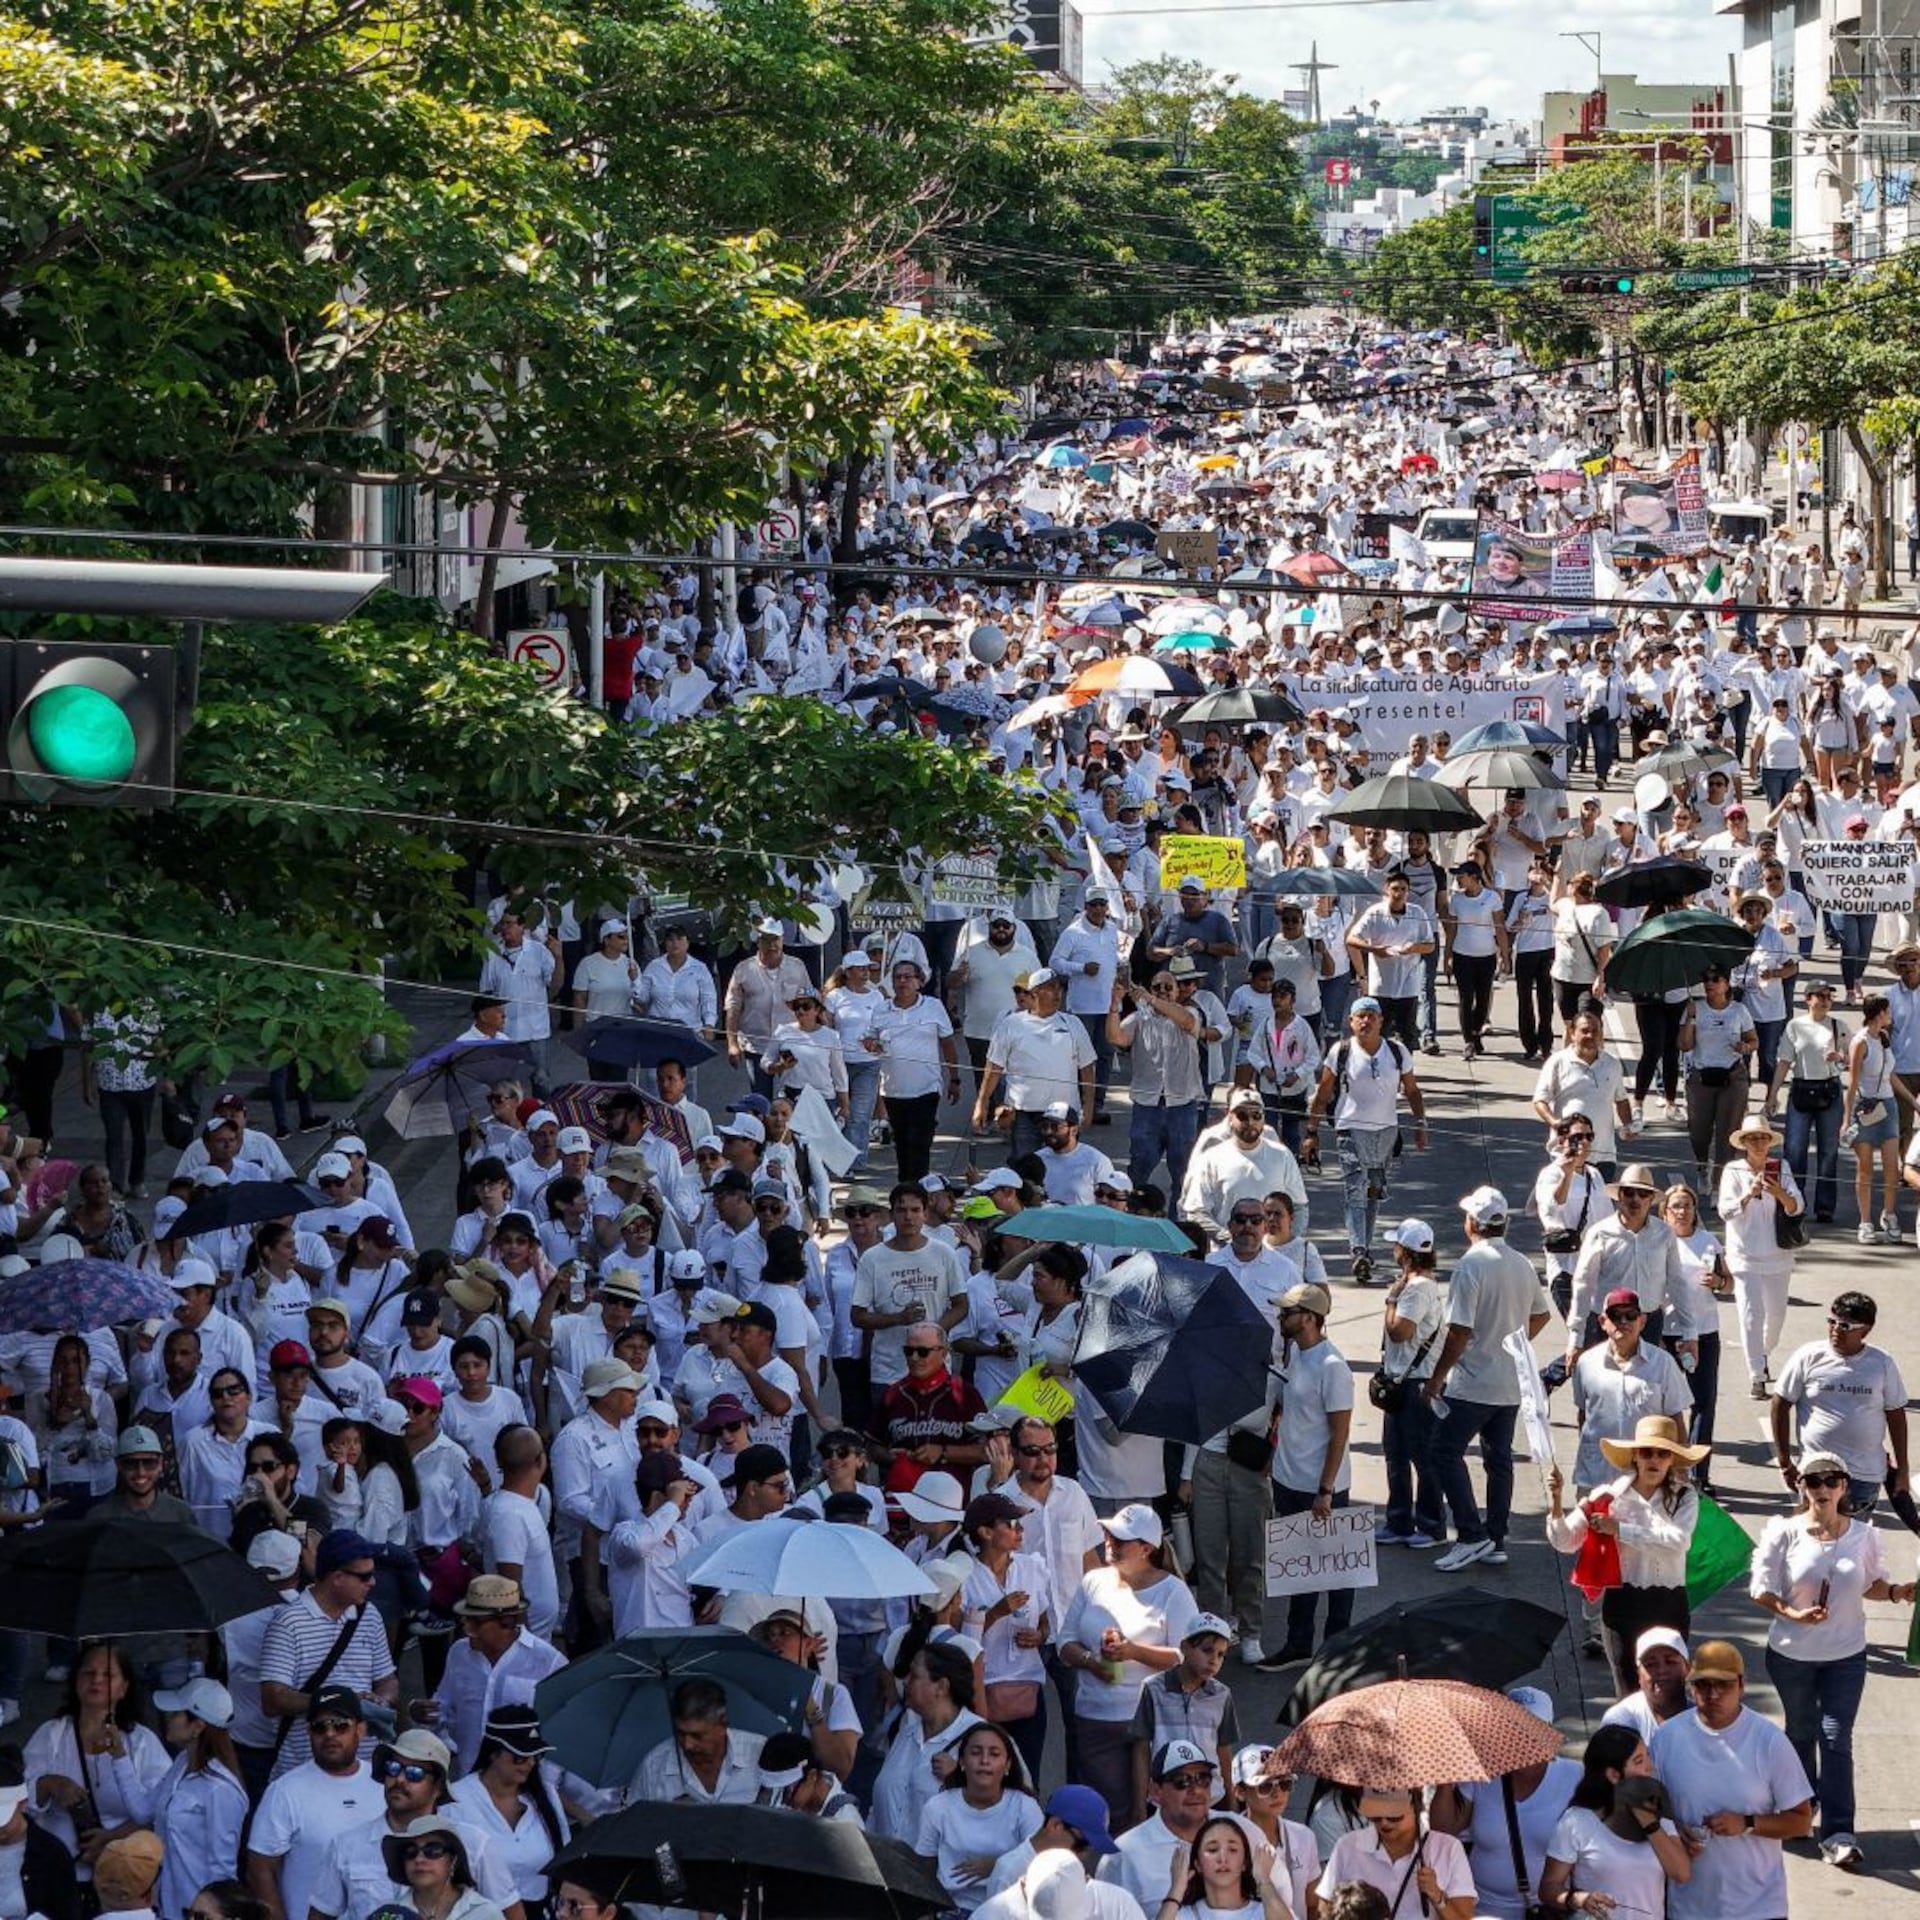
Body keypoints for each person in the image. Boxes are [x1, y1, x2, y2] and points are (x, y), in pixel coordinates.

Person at [1749, 1445, 1914, 1872]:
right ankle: (1800, 1811)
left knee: (1836, 1738)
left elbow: (1872, 1585)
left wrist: (1896, 1593)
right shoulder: (1782, 1532)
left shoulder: (1864, 1536)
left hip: (1846, 1656)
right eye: (1813, 1481)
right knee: (1801, 1734)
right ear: (1801, 1488)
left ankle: (1839, 1833)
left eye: (1830, 1481)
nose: (1822, 1488)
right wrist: (1792, 1614)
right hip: (1790, 1656)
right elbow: (1760, 1589)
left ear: (1844, 1488)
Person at [1427, 1188, 1552, 1573]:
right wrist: (1511, 1344)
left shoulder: (1471, 1265)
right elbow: (1541, 1314)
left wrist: (1437, 1377)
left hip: (1474, 1382)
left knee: (1444, 1451)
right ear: (1504, 1223)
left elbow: (1459, 1331)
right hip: (1510, 1382)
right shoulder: (1520, 1263)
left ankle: (1470, 1534)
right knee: (1499, 1458)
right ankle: (1495, 1537)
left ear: (1472, 1225)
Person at [1648, 1640, 1813, 1920]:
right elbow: (1649, 1805)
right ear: (1691, 1686)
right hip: (1689, 1908)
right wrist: (1674, 1830)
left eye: (1723, 1685)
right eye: (1703, 1685)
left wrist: (1747, 1823)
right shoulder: (1667, 1738)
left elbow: (1800, 1820)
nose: (1713, 1694)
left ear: (1741, 1685)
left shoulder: (1769, 1741)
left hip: (1759, 1908)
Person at [1058, 1506, 1199, 1827]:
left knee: (1153, 1813)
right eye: (1108, 1534)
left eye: (1120, 1537)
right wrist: (1093, 1662)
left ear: (1146, 1548)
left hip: (1153, 1721)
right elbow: (1065, 1642)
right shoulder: (1093, 1581)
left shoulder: (1173, 1592)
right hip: (1095, 1717)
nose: (1109, 1541)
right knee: (1104, 1817)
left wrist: (1133, 1651)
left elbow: (1185, 1656)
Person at [1547, 1414, 1704, 1699]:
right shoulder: (1608, 1496)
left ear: (1672, 1459)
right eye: (1646, 1452)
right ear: (1635, 1456)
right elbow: (1565, 1542)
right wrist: (1557, 1504)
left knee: (1669, 1690)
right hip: (1623, 1603)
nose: (1653, 1460)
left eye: (1662, 1453)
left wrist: (1619, 1529)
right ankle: (1635, 1744)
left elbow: (1678, 1541)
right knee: (1629, 1692)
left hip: (1668, 1602)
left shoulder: (1685, 1497)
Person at [1260, 1282, 1353, 1669]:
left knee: (1335, 1571)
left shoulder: (1333, 1366)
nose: (1281, 1318)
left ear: (1310, 1319)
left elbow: (1340, 1432)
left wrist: (1326, 1489)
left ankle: (1336, 1649)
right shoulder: (1296, 1353)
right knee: (1301, 1569)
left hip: (1320, 1487)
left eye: (1287, 1313)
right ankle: (1298, 1644)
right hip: (1288, 1478)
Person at [1303, 998, 1427, 1287]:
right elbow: (1323, 1093)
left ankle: (1365, 1250)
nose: (1366, 1022)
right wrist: (1312, 1132)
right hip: (1349, 1131)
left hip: (1385, 1133)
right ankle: (1358, 1249)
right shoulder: (1341, 1052)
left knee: (1373, 1192)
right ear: (1351, 1021)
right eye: (1360, 1016)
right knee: (1354, 1190)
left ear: (1381, 1021)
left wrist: (1420, 1123)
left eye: (1371, 1016)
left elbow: (1412, 1091)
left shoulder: (1397, 1052)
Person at [1427, 1689, 1580, 1920]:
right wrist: (1446, 1782)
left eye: (1532, 1729)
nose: (1522, 1739)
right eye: (1513, 1729)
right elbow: (1444, 1831)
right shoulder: (1479, 1774)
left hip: (1550, 1912)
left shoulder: (1576, 1775)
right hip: (1485, 1909)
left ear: (1550, 1731)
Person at [23, 1642, 170, 1872]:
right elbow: (17, 1800)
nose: (97, 1680)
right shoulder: (51, 1735)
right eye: (89, 1673)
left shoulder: (141, 1742)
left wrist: (113, 1838)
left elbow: (164, 1807)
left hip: (124, 1871)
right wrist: (49, 1784)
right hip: (59, 1870)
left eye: (108, 1674)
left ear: (124, 1688)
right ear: (76, 1681)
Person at [1768, 1288, 1909, 1517]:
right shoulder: (1808, 1356)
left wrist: (1902, 1469)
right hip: (1817, 1474)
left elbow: (1896, 1415)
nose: (1835, 1329)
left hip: (1864, 1477)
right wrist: (1785, 1462)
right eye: (1832, 1321)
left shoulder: (1881, 1363)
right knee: (1814, 1542)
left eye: (1845, 1326)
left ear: (1865, 1330)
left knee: (1853, 1546)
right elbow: (1780, 1404)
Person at [245, 1688, 382, 1920]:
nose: (330, 1734)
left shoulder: (384, 1784)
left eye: (340, 1725)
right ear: (309, 1733)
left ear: (360, 1729)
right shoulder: (285, 1790)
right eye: (320, 1727)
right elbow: (260, 1869)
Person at [1538, 1725, 1692, 1919]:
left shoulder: (1658, 1813)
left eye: (1648, 1756)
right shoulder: (1577, 1821)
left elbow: (1681, 1873)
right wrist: (1579, 1899)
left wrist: (1651, 1824)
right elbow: (1548, 1887)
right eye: (1639, 1761)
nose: (1649, 1767)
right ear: (1613, 1775)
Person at [446, 1706, 571, 1913]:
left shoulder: (546, 1795)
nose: (530, 1763)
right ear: (493, 1753)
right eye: (520, 1756)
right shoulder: (456, 1800)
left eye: (536, 1756)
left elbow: (565, 1861)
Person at [140, 1677, 247, 1920]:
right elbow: (142, 1811)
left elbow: (222, 1869)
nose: (168, 1717)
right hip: (166, 1907)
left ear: (197, 1726)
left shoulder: (222, 1790)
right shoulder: (180, 1763)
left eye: (176, 1713)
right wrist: (119, 1757)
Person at [1715, 1117, 1804, 1401]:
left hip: (1778, 1254)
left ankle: (1762, 1354)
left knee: (1776, 1317)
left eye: (1763, 1138)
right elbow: (1725, 1211)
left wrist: (1778, 1192)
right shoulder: (1733, 1171)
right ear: (1743, 1143)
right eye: (1752, 1138)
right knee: (1751, 1316)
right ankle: (1756, 1374)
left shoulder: (1782, 1168)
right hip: (1744, 1256)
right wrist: (1748, 1194)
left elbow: (1796, 1207)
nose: (1758, 1143)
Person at [916, 1721, 1043, 1914]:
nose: (984, 1760)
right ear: (962, 1762)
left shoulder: (1025, 1807)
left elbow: (1042, 1865)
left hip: (1009, 1910)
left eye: (994, 1754)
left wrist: (998, 1866)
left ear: (1008, 1765)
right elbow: (924, 1870)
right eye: (975, 1753)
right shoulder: (938, 1807)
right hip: (951, 1910)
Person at [1376, 1220, 1447, 1551]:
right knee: (1396, 1455)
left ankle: (1431, 1525)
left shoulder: (1418, 1288)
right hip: (1402, 1382)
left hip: (1414, 1385)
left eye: (1396, 1246)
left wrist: (1391, 1300)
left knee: (1422, 1457)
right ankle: (1399, 1520)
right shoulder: (1417, 1285)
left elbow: (1400, 1332)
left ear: (1404, 1252)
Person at [871, 1642, 982, 1848]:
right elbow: (878, 1809)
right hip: (885, 1869)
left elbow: (1005, 1811)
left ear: (941, 1687)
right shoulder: (906, 1734)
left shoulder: (981, 1740)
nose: (905, 1682)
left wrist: (958, 1780)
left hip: (938, 1876)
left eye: (914, 1676)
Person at [1315, 1789, 1475, 1920]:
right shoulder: (1348, 1845)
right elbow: (1325, 1910)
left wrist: (1438, 1896)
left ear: (1415, 1806)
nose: (1384, 1822)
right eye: (1376, 1816)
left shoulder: (1448, 1848)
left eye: (1394, 1816)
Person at [1770, 980, 1844, 1223]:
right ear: (1808, 999)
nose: (1824, 1000)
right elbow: (1784, 1062)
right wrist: (1773, 1095)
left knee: (1829, 1152)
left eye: (1828, 996)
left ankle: (1825, 1207)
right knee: (1795, 1150)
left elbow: (1855, 1060)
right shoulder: (1795, 1026)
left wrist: (1840, 1057)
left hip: (1829, 1089)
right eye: (1819, 995)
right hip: (1802, 1088)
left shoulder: (1837, 1025)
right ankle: (1795, 1201)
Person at [1842, 992, 1901, 1242]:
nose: (1890, 1016)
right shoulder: (1860, 1042)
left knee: (1891, 1167)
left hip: (1887, 1106)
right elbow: (1853, 1083)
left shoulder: (1884, 1037)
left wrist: (1910, 1100)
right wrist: (1846, 1120)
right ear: (1879, 1014)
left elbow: (1890, 1074)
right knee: (1865, 1169)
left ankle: (1889, 1213)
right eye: (1888, 1012)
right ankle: (1865, 1221)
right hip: (1865, 1107)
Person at [1158, 1813, 1291, 1920]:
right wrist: (1176, 1889)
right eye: (1212, 1849)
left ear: (1244, 1863)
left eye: (1232, 1850)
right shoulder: (1182, 1915)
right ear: (1198, 1865)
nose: (1223, 1858)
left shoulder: (1267, 1911)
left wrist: (1263, 1878)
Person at [380, 1814, 508, 1920]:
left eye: (433, 1850)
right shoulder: (389, 1916)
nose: (419, 1859)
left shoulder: (485, 1913)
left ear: (453, 1861)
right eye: (410, 1851)